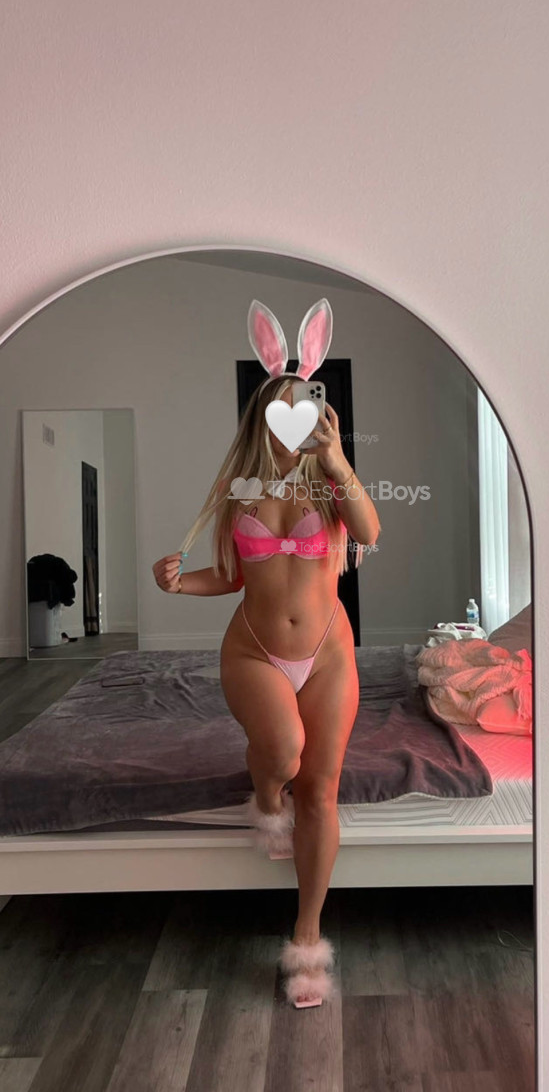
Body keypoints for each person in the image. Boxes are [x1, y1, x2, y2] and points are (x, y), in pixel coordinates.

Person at [152, 300, 380, 1009]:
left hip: (328, 654)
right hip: (254, 651)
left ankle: (307, 938)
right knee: (282, 753)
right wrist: (177, 583)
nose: (294, 423)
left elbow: (370, 532)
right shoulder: (239, 492)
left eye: (305, 410)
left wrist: (336, 459)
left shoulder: (330, 486)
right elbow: (229, 575)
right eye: (283, 411)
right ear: (262, 420)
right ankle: (264, 797)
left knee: (321, 787)